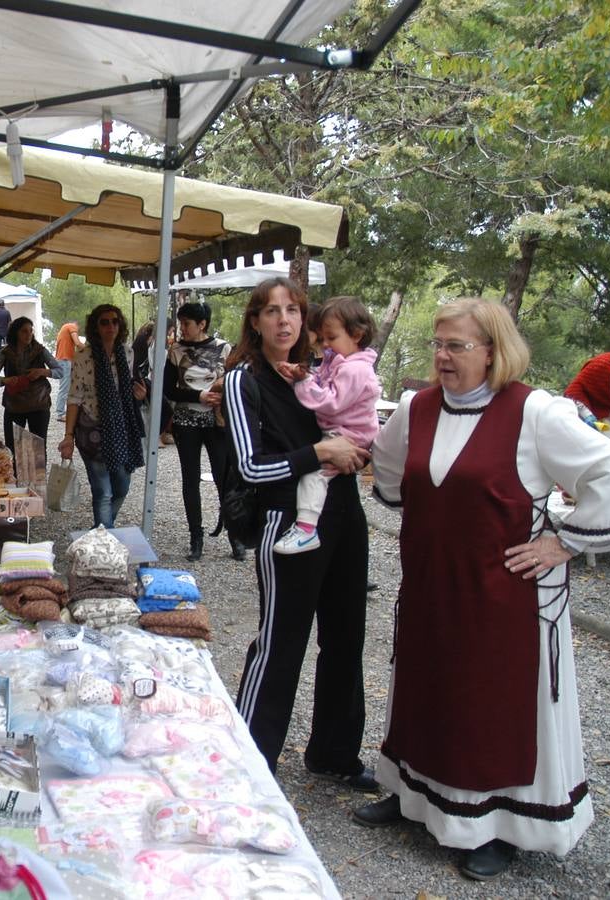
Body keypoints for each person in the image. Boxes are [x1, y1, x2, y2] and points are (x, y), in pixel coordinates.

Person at [360, 298, 610, 881]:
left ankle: (499, 824)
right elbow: (390, 476)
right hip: (432, 584)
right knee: (425, 687)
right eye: (438, 344)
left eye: (456, 346)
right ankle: (415, 797)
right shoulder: (416, 408)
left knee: (489, 704)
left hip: (504, 596)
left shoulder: (535, 412)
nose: (442, 356)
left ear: (494, 351)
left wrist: (562, 542)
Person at [222, 277, 373, 787]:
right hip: (287, 519)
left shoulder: (325, 372)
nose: (283, 320)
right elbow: (250, 467)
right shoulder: (245, 380)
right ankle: (250, 763)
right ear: (255, 321)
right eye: (271, 311)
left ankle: (334, 753)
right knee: (281, 643)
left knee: (346, 637)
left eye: (292, 310)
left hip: (345, 514)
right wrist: (319, 453)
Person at [273, 297, 380, 554]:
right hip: (341, 430)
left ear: (356, 334)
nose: (325, 345)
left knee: (315, 473)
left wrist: (302, 384)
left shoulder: (356, 369)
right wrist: (303, 376)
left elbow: (331, 402)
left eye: (330, 338)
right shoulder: (341, 360)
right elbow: (321, 381)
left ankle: (306, 529)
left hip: (348, 434)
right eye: (323, 339)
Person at [161, 301, 242, 561]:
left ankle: (235, 535)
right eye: (181, 323)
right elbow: (169, 389)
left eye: (186, 324)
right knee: (190, 480)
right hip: (186, 422)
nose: (182, 328)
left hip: (217, 424)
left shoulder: (224, 348)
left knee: (224, 478)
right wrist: (200, 395)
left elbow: (235, 382)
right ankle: (196, 536)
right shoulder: (175, 351)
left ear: (202, 324)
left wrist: (219, 396)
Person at [59, 305, 148, 528]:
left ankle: (99, 530)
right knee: (103, 492)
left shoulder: (127, 352)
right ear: (95, 327)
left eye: (115, 321)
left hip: (120, 426)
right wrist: (68, 436)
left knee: (122, 486)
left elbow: (124, 389)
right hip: (91, 429)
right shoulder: (84, 355)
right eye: (105, 322)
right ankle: (104, 543)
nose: (111, 326)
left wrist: (138, 395)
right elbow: (74, 397)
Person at [0, 316, 59, 465]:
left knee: (38, 448)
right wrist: (4, 381)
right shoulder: (5, 353)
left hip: (38, 404)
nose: (29, 335)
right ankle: (15, 482)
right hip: (14, 405)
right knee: (12, 448)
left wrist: (41, 372)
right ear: (16, 333)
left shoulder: (40, 351)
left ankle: (38, 484)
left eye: (31, 331)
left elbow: (60, 370)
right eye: (24, 331)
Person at [53, 320, 79, 421]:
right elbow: (77, 342)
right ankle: (60, 414)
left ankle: (65, 412)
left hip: (62, 361)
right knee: (64, 388)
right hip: (65, 361)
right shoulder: (72, 326)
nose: (77, 331)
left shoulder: (63, 328)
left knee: (66, 388)